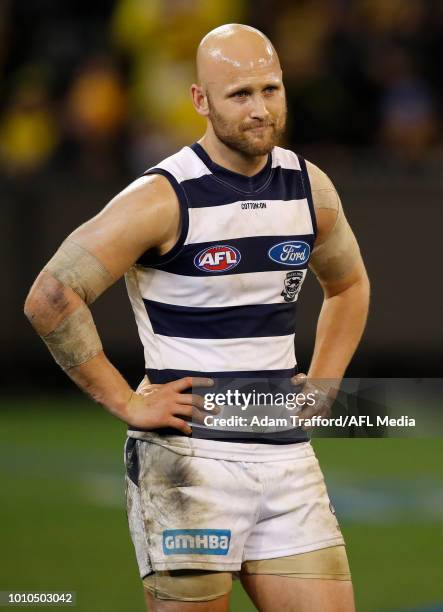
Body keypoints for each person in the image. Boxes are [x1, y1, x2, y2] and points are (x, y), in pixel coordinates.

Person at [24, 23, 369, 612]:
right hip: (187, 462)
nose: (260, 109)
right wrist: (128, 403)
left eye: (271, 89)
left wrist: (323, 381)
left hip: (285, 454)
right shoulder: (163, 197)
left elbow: (349, 285)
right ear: (200, 101)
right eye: (239, 94)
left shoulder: (309, 187)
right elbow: (51, 297)